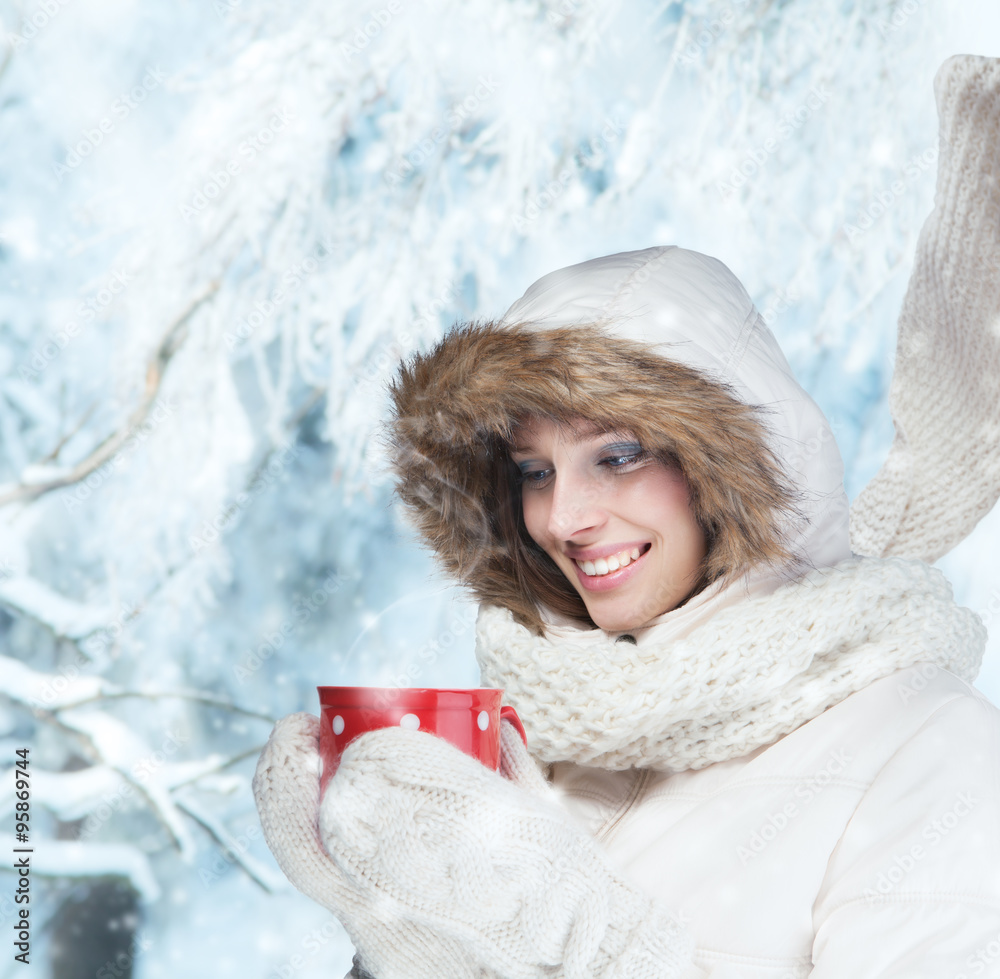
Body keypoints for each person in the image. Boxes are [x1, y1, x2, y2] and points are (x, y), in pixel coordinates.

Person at [253, 54, 1000, 978]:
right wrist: (405, 945)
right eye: (532, 471)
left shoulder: (931, 748)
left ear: (736, 470)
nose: (561, 516)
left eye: (618, 455)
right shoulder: (541, 743)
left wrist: (593, 945)